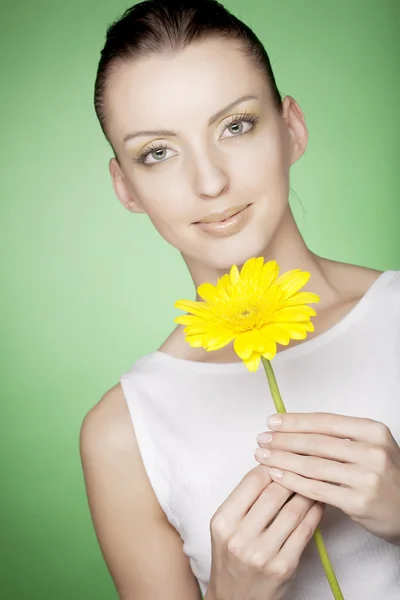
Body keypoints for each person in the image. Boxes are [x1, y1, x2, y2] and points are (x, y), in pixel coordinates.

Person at [80, 1, 400, 599]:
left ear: (292, 129)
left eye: (235, 126)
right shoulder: (122, 432)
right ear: (126, 186)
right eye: (158, 151)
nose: (210, 182)